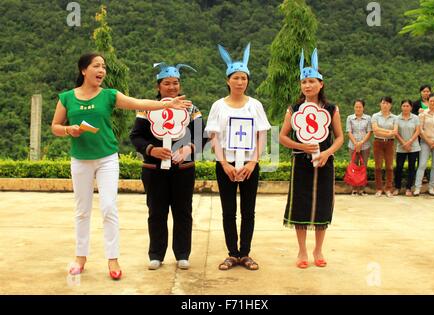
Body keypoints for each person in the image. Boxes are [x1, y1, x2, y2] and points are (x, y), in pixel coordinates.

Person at [51, 52, 191, 280]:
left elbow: (138, 103)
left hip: (107, 158)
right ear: (83, 70)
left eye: (103, 67)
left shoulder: (109, 95)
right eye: (96, 66)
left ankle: (113, 259)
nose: (101, 71)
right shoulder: (67, 97)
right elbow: (55, 126)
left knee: (108, 208)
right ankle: (80, 257)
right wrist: (69, 130)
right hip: (80, 159)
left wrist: (168, 104)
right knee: (82, 210)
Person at [129, 62, 206, 270]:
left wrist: (188, 148)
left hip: (183, 170)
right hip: (154, 171)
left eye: (175, 83)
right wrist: (151, 150)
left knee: (183, 211)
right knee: (156, 211)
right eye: (167, 83)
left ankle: (182, 253)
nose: (172, 87)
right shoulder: (147, 109)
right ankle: (156, 254)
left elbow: (202, 136)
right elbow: (136, 136)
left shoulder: (191, 108)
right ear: (158, 86)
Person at [205, 43, 271, 271]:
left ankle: (246, 254)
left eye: (244, 78)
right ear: (227, 80)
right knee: (228, 210)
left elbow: (261, 135)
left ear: (247, 81)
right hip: (226, 165)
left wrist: (254, 161)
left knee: (248, 211)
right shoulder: (218, 106)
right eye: (236, 78)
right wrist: (223, 163)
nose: (240, 82)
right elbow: (214, 137)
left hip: (250, 166)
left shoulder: (255, 105)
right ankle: (232, 254)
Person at [280, 48, 344, 269]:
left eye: (311, 81)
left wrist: (327, 153)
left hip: (325, 163)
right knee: (301, 205)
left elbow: (340, 138)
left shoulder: (332, 109)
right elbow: (282, 137)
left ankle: (318, 249)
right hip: (301, 163)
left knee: (322, 205)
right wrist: (301, 145)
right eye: (303, 82)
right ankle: (302, 250)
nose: (307, 86)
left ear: (321, 84)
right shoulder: (294, 109)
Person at [371, 96, 398, 197]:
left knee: (389, 167)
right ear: (380, 104)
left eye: (387, 103)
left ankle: (388, 189)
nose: (385, 105)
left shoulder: (395, 117)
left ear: (390, 105)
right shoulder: (375, 116)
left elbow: (395, 132)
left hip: (390, 143)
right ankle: (378, 188)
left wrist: (385, 132)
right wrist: (389, 132)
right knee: (378, 166)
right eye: (383, 103)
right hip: (378, 142)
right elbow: (375, 130)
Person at [393, 100, 421, 196]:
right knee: (399, 168)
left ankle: (409, 188)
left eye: (407, 106)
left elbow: (417, 131)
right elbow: (396, 132)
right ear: (401, 107)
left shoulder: (415, 118)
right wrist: (404, 144)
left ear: (411, 107)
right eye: (404, 106)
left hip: (414, 147)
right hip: (401, 147)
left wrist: (409, 143)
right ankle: (397, 187)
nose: (405, 107)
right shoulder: (397, 118)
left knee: (411, 168)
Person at [345, 99, 372, 195]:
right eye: (356, 107)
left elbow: (369, 132)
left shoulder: (368, 118)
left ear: (363, 107)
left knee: (364, 166)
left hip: (365, 146)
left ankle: (362, 189)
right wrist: (356, 143)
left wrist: (361, 143)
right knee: (353, 167)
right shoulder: (349, 118)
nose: (358, 108)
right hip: (352, 146)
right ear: (354, 107)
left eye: (360, 107)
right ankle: (354, 189)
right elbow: (349, 131)